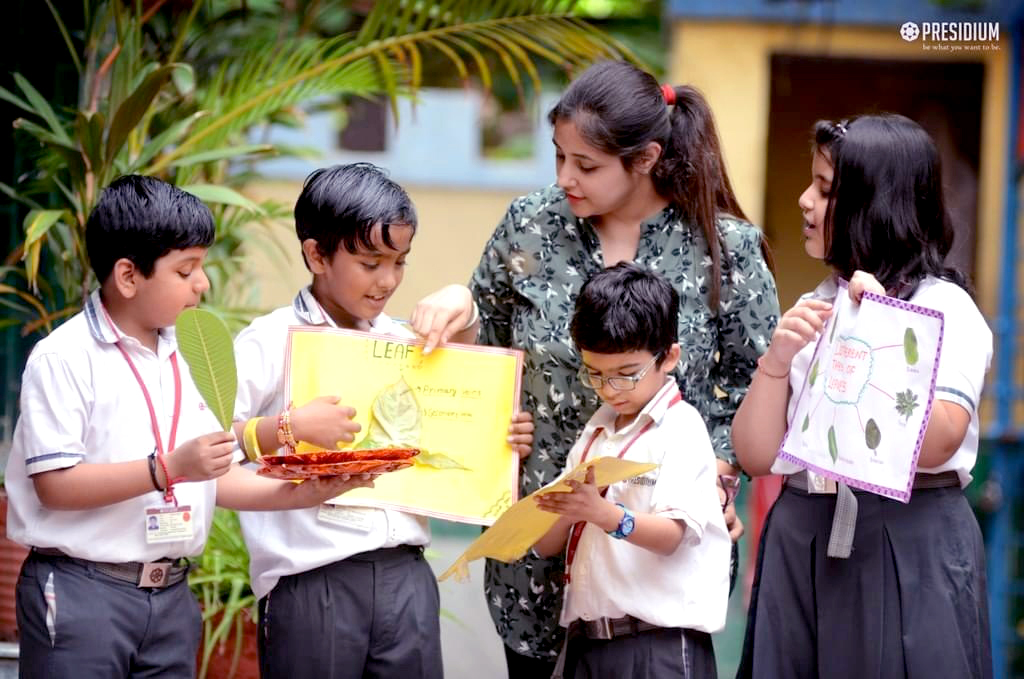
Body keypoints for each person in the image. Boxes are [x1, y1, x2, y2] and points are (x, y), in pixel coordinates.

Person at [414, 59, 779, 674]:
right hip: (539, 536)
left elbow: (759, 378)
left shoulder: (726, 249)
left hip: (655, 549)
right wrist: (461, 311)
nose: (565, 178)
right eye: (558, 157)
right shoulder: (529, 226)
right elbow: (487, 351)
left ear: (645, 158)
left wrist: (717, 468)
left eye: (585, 165)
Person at [6, 175, 367, 679]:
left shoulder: (193, 353)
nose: (203, 283)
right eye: (186, 269)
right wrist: (168, 468)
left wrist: (304, 493)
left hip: (172, 597)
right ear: (128, 276)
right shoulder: (63, 357)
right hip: (82, 591)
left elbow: (214, 476)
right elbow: (55, 486)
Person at [231, 162, 533, 679]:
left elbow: (461, 422)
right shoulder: (267, 341)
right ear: (316, 254)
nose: (388, 280)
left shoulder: (410, 343)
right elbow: (210, 452)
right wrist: (290, 426)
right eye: (371, 263)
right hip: (312, 579)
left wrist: (497, 438)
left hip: (407, 577)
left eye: (399, 262)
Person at [733, 114, 992, 678]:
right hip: (803, 534)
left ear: (877, 205)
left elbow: (938, 442)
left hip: (906, 538)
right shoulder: (818, 303)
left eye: (824, 189)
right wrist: (776, 363)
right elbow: (756, 456)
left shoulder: (944, 309)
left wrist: (876, 324)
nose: (804, 200)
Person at [530, 262, 730, 679]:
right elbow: (548, 546)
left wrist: (602, 514)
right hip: (588, 640)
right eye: (595, 374)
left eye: (626, 375)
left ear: (669, 357)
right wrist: (567, 508)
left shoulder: (681, 427)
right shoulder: (595, 431)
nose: (609, 389)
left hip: (657, 645)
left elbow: (672, 536)